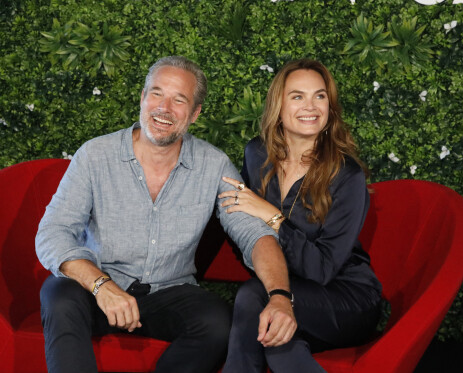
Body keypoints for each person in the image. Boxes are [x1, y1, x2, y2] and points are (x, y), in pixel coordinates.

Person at [35, 56, 296, 373]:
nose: (164, 108)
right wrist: (102, 286)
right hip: (98, 290)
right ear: (142, 98)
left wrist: (280, 296)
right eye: (156, 93)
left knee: (218, 322)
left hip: (168, 295)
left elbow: (255, 235)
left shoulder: (213, 165)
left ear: (195, 113)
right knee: (58, 293)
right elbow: (53, 232)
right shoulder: (94, 155)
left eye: (179, 99)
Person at [218, 59, 383, 373]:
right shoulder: (256, 154)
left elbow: (322, 270)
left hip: (346, 298)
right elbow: (240, 228)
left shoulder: (347, 176)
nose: (311, 106)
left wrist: (272, 216)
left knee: (256, 298)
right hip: (285, 291)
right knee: (277, 340)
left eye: (319, 96)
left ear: (330, 107)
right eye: (297, 96)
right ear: (278, 106)